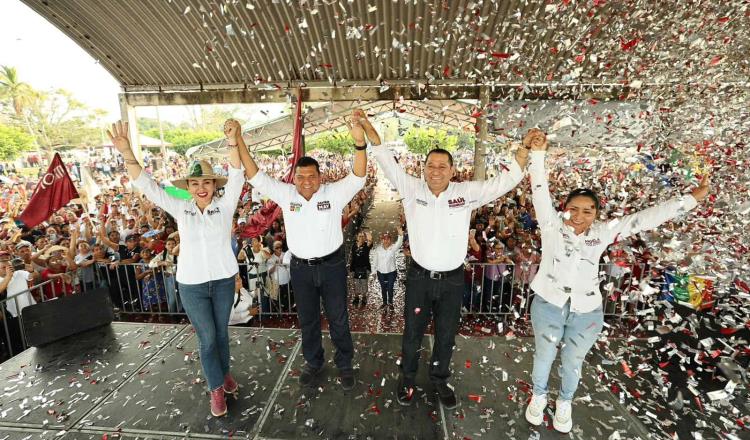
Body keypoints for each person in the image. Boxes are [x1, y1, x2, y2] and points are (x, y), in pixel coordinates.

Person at [522, 128, 711, 433]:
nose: (580, 215)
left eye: (588, 210)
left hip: (588, 312)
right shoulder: (551, 226)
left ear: (597, 213)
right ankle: (539, 396)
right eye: (574, 209)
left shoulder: (604, 232)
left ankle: (565, 402)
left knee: (573, 361)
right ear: (564, 209)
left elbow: (647, 217)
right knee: (544, 356)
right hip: (548, 303)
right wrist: (539, 153)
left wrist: (691, 199)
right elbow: (539, 189)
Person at [372, 134, 528, 409]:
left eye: (443, 166)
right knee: (412, 333)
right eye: (431, 165)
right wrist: (371, 134)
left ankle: (440, 379)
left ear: (452, 170)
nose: (436, 171)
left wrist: (524, 152)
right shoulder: (411, 188)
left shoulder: (464, 193)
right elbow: (386, 162)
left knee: (446, 335)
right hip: (419, 278)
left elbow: (501, 184)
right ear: (423, 169)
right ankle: (407, 379)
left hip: (453, 281)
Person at [107, 120, 244, 417]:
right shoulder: (180, 208)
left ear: (213, 185)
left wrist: (234, 141)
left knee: (221, 334)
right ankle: (216, 388)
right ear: (189, 187)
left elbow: (237, 174)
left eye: (206, 182)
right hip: (191, 285)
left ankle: (224, 375)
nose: (201, 188)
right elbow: (146, 184)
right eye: (195, 183)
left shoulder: (227, 203)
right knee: (207, 338)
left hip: (222, 281)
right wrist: (127, 151)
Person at [237, 109, 377, 391]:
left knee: (338, 317)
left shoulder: (333, 193)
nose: (306, 182)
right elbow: (255, 175)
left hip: (332, 266)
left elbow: (358, 176)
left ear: (319, 176)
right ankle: (314, 363)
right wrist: (238, 139)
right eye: (301, 177)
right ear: (295, 178)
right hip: (300, 268)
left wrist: (359, 144)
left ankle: (345, 362)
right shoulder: (287, 195)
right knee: (308, 319)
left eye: (311, 176)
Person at [370, 226, 403, 311]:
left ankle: (390, 302)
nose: (386, 241)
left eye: (388, 239)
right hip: (381, 272)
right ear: (382, 240)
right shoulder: (378, 249)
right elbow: (375, 261)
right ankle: (384, 302)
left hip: (391, 272)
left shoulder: (393, 248)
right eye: (384, 239)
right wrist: (374, 272)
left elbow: (399, 243)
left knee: (390, 287)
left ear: (390, 240)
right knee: (383, 288)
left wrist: (400, 234)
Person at [349, 230, 373, 307]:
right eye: (360, 236)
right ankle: (356, 297)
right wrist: (351, 269)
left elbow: (370, 241)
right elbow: (352, 257)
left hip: (364, 268)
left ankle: (364, 298)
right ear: (357, 237)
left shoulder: (367, 245)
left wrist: (368, 235)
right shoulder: (354, 246)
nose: (361, 238)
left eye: (363, 236)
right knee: (355, 284)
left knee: (364, 284)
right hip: (355, 268)